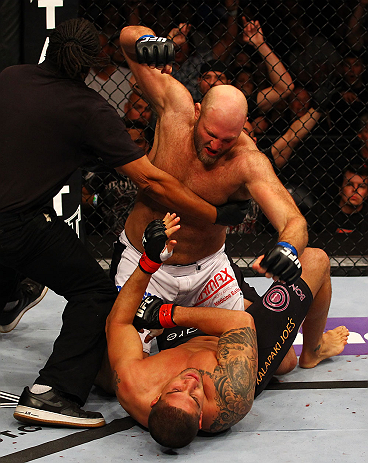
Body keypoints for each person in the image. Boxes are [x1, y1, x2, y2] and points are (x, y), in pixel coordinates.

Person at [0, 18, 248, 429]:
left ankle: (7, 299)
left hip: (11, 218)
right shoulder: (88, 110)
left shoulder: (11, 76)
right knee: (94, 292)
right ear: (91, 63)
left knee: (23, 246)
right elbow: (151, 179)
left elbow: (131, 36)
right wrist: (214, 214)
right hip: (15, 223)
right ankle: (54, 393)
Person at [113, 25, 348, 373]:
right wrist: (146, 41)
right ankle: (190, 334)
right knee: (116, 370)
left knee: (283, 362)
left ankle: (312, 349)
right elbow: (126, 39)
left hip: (208, 269)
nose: (216, 146)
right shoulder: (173, 108)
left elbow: (293, 220)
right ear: (196, 111)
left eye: (228, 139)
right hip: (147, 262)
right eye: (210, 134)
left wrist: (288, 248)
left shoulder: (247, 160)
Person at [102, 213, 348, 448]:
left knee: (109, 358)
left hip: (182, 336)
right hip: (242, 349)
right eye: (196, 397)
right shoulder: (230, 397)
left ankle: (277, 346)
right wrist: (168, 314)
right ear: (201, 419)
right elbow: (240, 323)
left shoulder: (133, 384)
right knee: (316, 260)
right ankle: (313, 351)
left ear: (155, 400)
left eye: (176, 390)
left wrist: (149, 261)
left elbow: (118, 322)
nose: (190, 383)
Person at [310, 164, 368, 235]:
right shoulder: (321, 210)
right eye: (349, 184)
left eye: (361, 186)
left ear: (367, 193)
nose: (355, 190)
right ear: (340, 189)